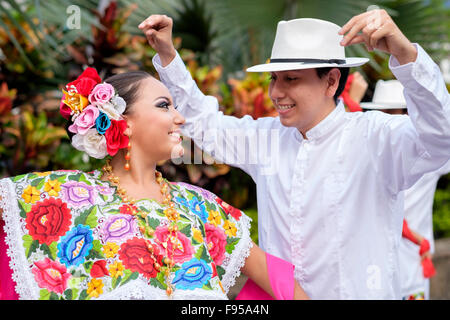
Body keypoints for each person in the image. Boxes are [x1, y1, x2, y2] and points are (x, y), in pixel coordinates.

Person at [139, 9, 450, 299]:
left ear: (331, 81)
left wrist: (406, 55)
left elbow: (441, 138)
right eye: (274, 78)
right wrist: (168, 55)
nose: (275, 92)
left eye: (291, 79)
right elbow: (205, 125)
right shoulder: (268, 138)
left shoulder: (376, 137)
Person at [0, 68, 308, 300]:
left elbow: (280, 283)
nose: (180, 118)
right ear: (123, 120)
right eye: (164, 105)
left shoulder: (200, 205)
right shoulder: (68, 197)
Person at [361, 79, 450, 300]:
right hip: (373, 272)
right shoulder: (364, 155)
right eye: (379, 113)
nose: (384, 120)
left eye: (390, 112)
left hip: (411, 268)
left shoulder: (428, 155)